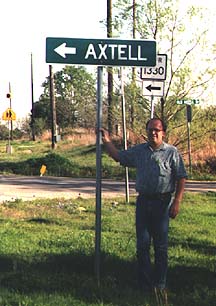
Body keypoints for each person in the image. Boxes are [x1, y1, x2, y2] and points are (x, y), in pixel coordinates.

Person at [100, 118, 187, 295]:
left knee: (161, 247)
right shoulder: (139, 151)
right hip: (143, 203)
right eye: (150, 130)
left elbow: (181, 177)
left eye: (157, 130)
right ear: (146, 132)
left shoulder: (172, 152)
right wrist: (106, 140)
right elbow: (119, 157)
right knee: (142, 245)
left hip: (162, 204)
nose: (153, 133)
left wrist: (176, 201)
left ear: (163, 132)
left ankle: (160, 284)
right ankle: (145, 285)